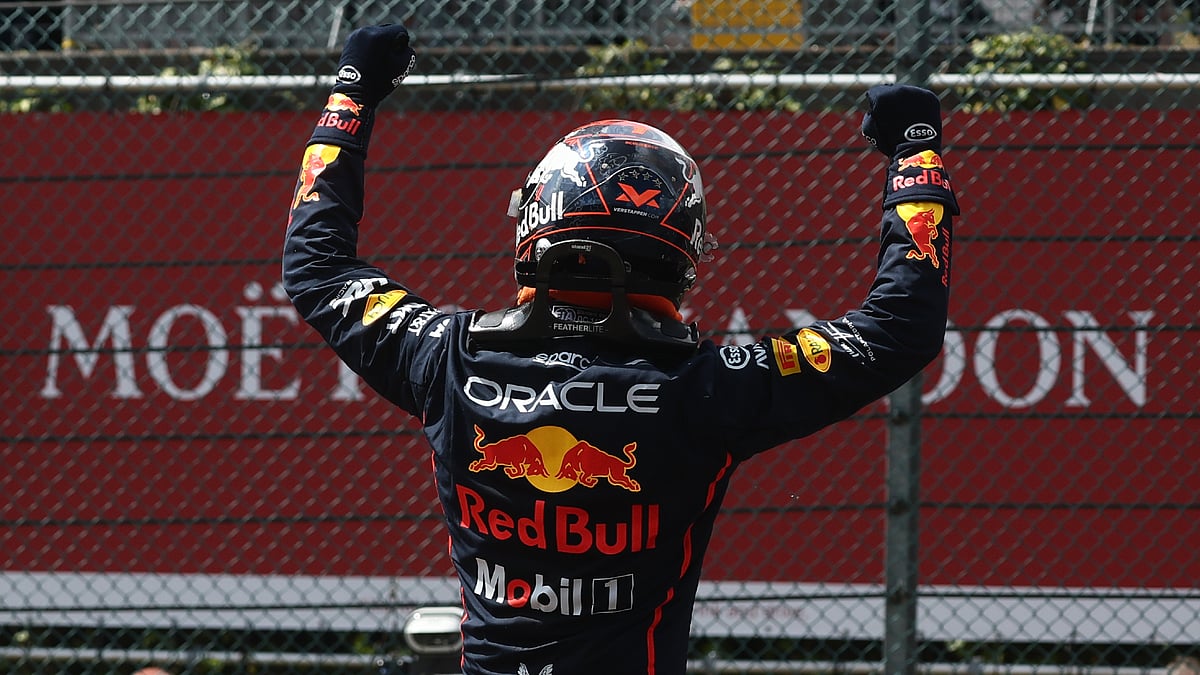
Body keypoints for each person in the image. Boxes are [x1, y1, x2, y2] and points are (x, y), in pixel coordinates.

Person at [283, 23, 959, 675]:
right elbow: (898, 326)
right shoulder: (709, 386)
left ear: (537, 221)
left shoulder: (445, 356)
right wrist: (917, 153)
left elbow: (316, 264)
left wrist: (351, 95)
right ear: (684, 249)